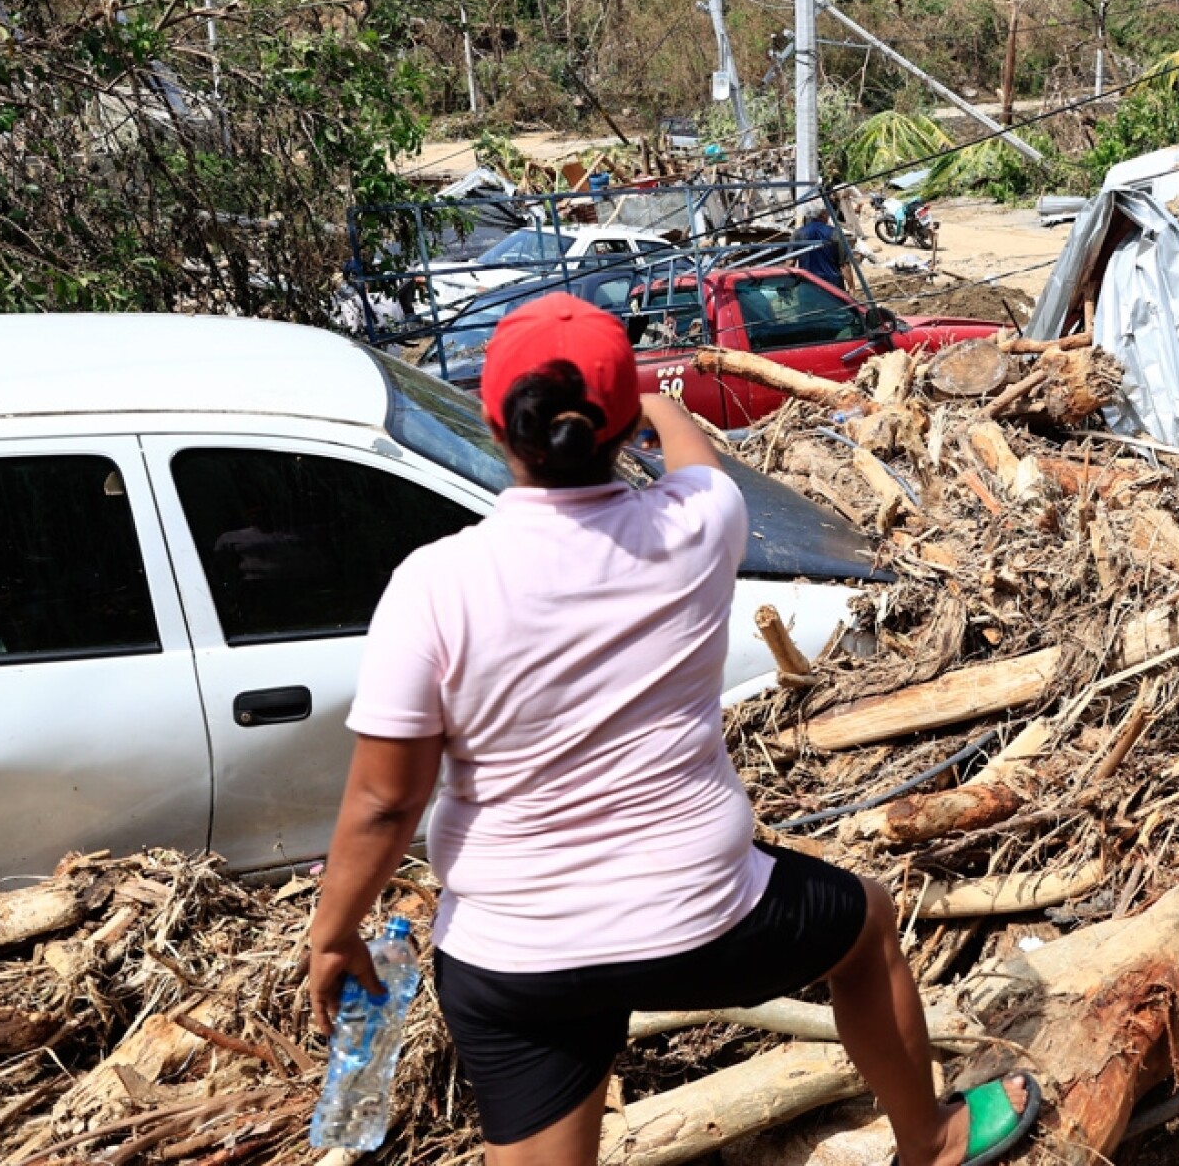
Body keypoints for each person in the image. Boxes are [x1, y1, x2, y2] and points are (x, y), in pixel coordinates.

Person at [304, 295, 1039, 1166]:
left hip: (513, 955)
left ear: (495, 424)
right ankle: (931, 1137)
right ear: (616, 429)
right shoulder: (696, 527)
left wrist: (333, 933)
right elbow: (700, 460)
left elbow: (388, 803)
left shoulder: (432, 584)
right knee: (867, 923)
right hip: (702, 924)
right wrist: (656, 402)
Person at [791, 202, 847, 290]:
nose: (828, 215)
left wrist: (787, 284)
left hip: (808, 285)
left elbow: (790, 262)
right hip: (833, 285)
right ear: (822, 214)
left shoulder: (798, 234)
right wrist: (851, 288)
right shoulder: (835, 232)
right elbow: (844, 264)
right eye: (827, 212)